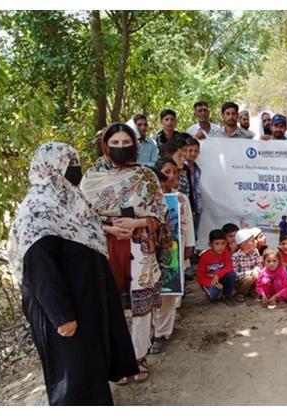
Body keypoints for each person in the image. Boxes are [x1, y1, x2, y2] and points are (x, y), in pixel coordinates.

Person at [7, 142, 138, 405]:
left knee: (91, 365)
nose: (76, 170)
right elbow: (38, 265)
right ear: (51, 168)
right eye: (70, 165)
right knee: (74, 374)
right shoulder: (37, 209)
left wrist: (109, 229)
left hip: (85, 300)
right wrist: (62, 316)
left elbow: (81, 229)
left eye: (77, 164)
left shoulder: (69, 198)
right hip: (64, 309)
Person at [80, 122, 171, 384]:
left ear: (135, 144)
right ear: (105, 146)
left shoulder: (146, 176)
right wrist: (109, 228)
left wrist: (137, 223)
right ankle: (116, 360)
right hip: (103, 245)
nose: (120, 148)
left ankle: (139, 356)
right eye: (115, 143)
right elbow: (82, 216)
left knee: (141, 303)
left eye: (125, 143)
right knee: (109, 303)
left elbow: (161, 214)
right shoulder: (91, 177)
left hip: (140, 243)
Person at [150, 158, 196, 354]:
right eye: (166, 172)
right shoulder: (146, 199)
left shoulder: (180, 199)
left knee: (168, 292)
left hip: (173, 251)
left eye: (174, 173)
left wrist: (189, 247)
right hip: (150, 252)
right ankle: (151, 330)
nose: (170, 176)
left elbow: (187, 226)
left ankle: (162, 333)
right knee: (151, 291)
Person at [196, 229, 237, 306]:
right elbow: (200, 276)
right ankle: (218, 290)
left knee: (231, 275)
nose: (220, 246)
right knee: (213, 296)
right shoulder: (205, 256)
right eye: (217, 244)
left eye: (223, 243)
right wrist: (211, 283)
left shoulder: (225, 252)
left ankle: (227, 296)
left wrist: (217, 275)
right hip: (208, 280)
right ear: (210, 244)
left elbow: (229, 267)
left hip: (220, 278)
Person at [232, 228, 263, 302]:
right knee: (249, 278)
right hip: (242, 281)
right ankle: (240, 293)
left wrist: (256, 270)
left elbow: (259, 265)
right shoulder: (236, 256)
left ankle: (252, 291)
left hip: (254, 275)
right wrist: (250, 272)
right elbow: (235, 274)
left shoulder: (255, 251)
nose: (256, 241)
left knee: (261, 275)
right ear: (243, 245)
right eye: (252, 240)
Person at [184, 138, 202, 241]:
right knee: (187, 236)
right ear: (185, 151)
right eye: (190, 150)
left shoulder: (197, 168)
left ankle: (193, 256)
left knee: (194, 235)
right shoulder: (182, 167)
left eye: (195, 151)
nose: (193, 153)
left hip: (198, 206)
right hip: (188, 206)